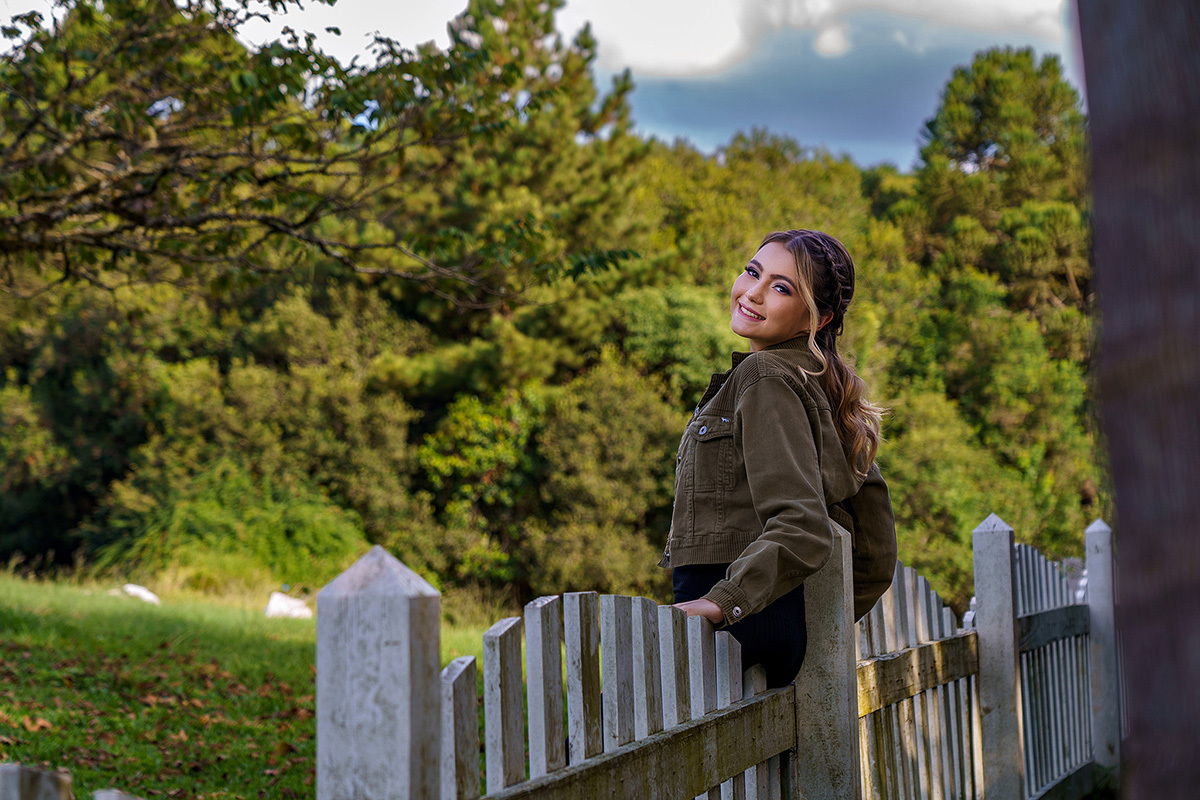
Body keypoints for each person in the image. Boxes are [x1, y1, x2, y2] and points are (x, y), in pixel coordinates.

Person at [661, 229, 898, 688]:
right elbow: (877, 553)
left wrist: (725, 599)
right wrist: (821, 617)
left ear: (819, 318)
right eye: (753, 272)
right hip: (770, 615)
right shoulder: (821, 387)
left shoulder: (764, 376)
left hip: (733, 617)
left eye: (782, 287)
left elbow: (801, 526)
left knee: (605, 718)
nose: (753, 292)